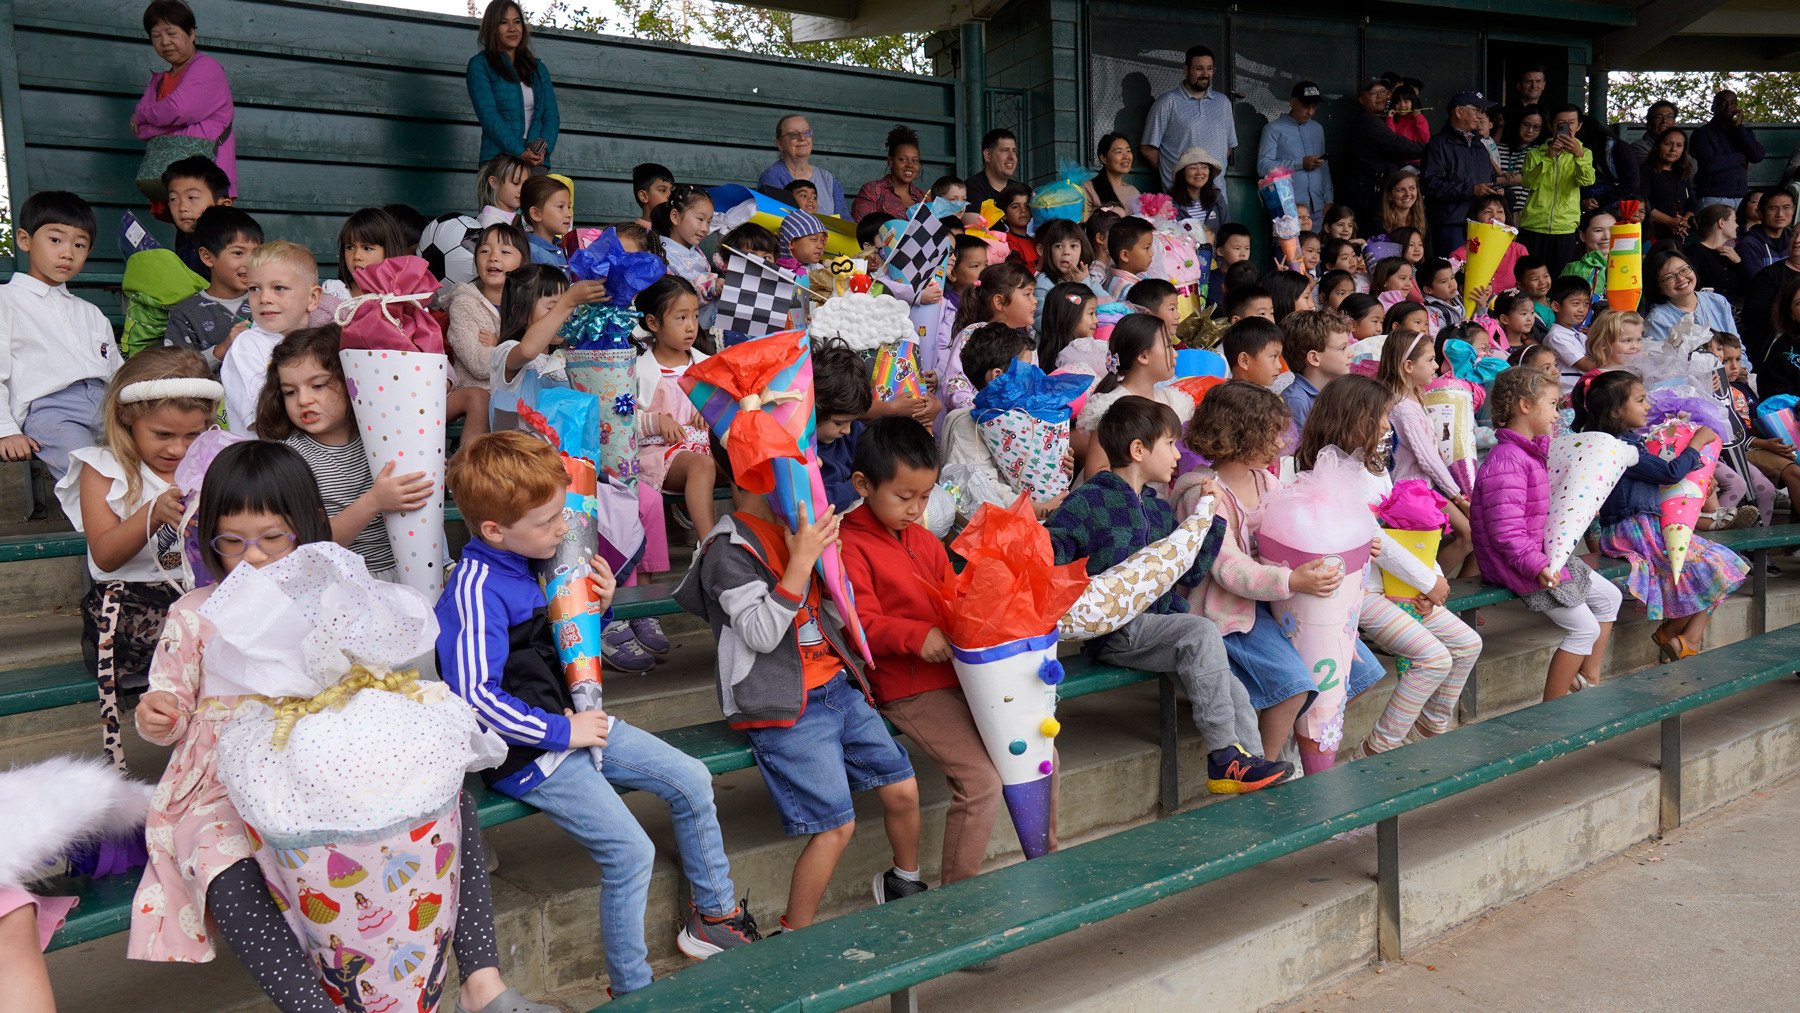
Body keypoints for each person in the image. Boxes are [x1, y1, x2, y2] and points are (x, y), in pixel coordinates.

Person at [128, 440, 556, 1013]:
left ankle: (482, 981)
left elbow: (362, 673)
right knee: (219, 859)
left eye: (272, 538)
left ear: (304, 529)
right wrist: (158, 714)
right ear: (210, 538)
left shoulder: (325, 598)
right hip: (220, 781)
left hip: (324, 758)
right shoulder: (195, 613)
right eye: (232, 542)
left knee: (448, 791)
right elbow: (171, 705)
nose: (251, 557)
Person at [440, 433, 759, 990]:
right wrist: (564, 731)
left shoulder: (531, 557)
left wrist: (599, 608)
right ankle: (632, 989)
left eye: (562, 514)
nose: (564, 529)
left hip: (576, 724)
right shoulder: (475, 588)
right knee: (631, 853)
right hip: (531, 752)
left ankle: (714, 917)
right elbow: (473, 700)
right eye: (548, 522)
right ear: (493, 530)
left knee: (692, 778)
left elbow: (557, 648)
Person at [678, 426, 926, 931]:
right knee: (836, 826)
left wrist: (830, 568)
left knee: (902, 788)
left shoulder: (797, 524)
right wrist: (802, 560)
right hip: (785, 703)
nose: (804, 475)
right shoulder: (727, 551)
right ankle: (795, 933)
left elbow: (835, 610)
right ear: (751, 473)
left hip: (836, 687)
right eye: (787, 465)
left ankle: (905, 878)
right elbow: (762, 633)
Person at [840, 415, 1061, 882]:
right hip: (908, 687)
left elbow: (954, 602)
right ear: (862, 484)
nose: (916, 509)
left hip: (965, 677)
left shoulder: (924, 538)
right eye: (904, 497)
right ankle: (957, 907)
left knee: (1042, 754)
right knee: (980, 784)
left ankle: (1049, 864)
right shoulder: (847, 545)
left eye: (925, 497)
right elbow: (860, 625)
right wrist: (917, 636)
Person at [1049, 395, 1289, 787]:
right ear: (1138, 450)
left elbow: (1190, 575)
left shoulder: (1158, 510)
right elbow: (1054, 550)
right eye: (1169, 444)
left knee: (1235, 691)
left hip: (1158, 627)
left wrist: (1210, 517)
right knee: (1198, 631)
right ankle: (1224, 756)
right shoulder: (1090, 501)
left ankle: (1251, 769)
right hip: (1115, 632)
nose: (1178, 455)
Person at [53, 348, 213, 769]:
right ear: (128, 418)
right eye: (163, 434)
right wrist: (151, 513)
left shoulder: (210, 463)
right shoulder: (103, 468)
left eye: (193, 436)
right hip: (131, 603)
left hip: (195, 594)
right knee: (195, 639)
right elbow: (105, 556)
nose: (179, 449)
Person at [1311, 373, 1480, 755]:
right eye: (1381, 417)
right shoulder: (1330, 472)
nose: (1387, 426)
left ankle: (1428, 729)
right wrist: (1427, 581)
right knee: (1433, 659)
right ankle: (1374, 752)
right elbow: (1377, 541)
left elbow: (1409, 528)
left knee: (1467, 644)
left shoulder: (1374, 468)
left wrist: (1428, 583)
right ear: (1352, 418)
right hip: (1363, 592)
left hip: (1399, 586)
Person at [1576, 369, 1747, 656]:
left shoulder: (1620, 441)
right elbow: (1669, 473)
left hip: (1640, 527)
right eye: (1641, 400)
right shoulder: (1621, 447)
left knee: (1725, 565)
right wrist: (1696, 444)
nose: (1648, 406)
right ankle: (1680, 636)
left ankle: (1682, 637)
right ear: (1617, 411)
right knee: (1722, 567)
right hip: (1634, 531)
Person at [1473, 365, 1619, 699]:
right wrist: (1538, 566)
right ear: (1525, 406)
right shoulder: (1508, 459)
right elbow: (1505, 532)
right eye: (1552, 405)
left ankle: (1587, 681)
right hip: (1518, 564)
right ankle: (1551, 710)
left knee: (1609, 597)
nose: (1557, 414)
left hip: (1538, 555)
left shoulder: (1530, 452)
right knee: (1584, 629)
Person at [256, 326, 429, 582]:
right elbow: (310, 544)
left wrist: (424, 471)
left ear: (352, 381)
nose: (304, 399)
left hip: (407, 576)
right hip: (338, 586)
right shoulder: (290, 458)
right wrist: (374, 502)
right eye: (290, 392)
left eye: (318, 385)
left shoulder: (383, 438)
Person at [1377, 328, 1476, 570]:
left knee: (1466, 535)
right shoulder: (1404, 409)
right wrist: (1458, 497)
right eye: (1430, 360)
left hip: (1425, 487)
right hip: (1412, 490)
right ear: (1409, 366)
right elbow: (1428, 459)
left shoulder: (1411, 398)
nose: (1436, 366)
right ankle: (1432, 591)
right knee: (1468, 535)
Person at [633, 276, 720, 543]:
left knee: (744, 460)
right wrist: (655, 421)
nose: (691, 326)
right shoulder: (636, 369)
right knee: (702, 465)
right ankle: (709, 545)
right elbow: (620, 421)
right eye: (680, 318)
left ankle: (750, 540)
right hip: (664, 454)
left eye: (694, 316)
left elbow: (732, 407)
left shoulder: (709, 365)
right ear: (653, 323)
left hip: (708, 447)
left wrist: (712, 411)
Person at [133, 0, 237, 198]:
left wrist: (141, 115)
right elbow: (142, 131)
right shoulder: (160, 80)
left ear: (191, 33)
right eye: (156, 36)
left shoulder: (206, 68)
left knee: (208, 227)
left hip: (207, 181)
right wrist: (156, 123)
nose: (164, 42)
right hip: (174, 181)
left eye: (171, 33)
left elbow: (178, 110)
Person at [220, 241, 321, 436]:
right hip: (265, 459)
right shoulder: (247, 345)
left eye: (279, 288)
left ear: (313, 298)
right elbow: (265, 419)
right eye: (254, 289)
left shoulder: (321, 343)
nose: (264, 298)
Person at [1076, 314, 1189, 478]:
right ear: (1143, 356)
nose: (1175, 354)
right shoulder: (1111, 407)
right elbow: (1096, 472)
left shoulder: (1172, 401)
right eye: (1168, 346)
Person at [443, 221, 528, 438]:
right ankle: (467, 469)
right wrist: (516, 351)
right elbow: (478, 363)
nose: (493, 257)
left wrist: (500, 343)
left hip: (518, 393)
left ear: (523, 263)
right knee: (485, 399)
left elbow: (540, 354)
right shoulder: (464, 304)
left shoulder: (527, 304)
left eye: (505, 251)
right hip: (478, 390)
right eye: (484, 251)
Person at [163, 206, 261, 371]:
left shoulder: (270, 301)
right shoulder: (185, 314)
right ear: (207, 257)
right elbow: (174, 372)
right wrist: (221, 349)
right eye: (238, 253)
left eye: (256, 253)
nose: (250, 262)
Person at [466, 0, 558, 169]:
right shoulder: (480, 65)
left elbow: (551, 116)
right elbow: (489, 116)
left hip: (536, 161)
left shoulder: (538, 69)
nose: (512, 28)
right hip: (498, 158)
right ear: (492, 28)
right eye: (503, 22)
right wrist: (519, 152)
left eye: (517, 22)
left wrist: (543, 149)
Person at [937, 261, 1036, 417]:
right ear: (999, 302)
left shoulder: (1026, 345)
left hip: (1011, 430)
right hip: (972, 425)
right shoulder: (972, 334)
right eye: (1027, 294)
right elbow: (955, 384)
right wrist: (983, 412)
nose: (1035, 300)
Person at [1141, 45, 1236, 207]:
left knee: (1217, 233)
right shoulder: (1167, 102)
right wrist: (1174, 174)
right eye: (1199, 68)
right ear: (1186, 70)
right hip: (1180, 195)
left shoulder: (1223, 103)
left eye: (1209, 69)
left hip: (1217, 193)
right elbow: (1148, 148)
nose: (1205, 74)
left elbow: (1228, 148)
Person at [1422, 90, 1501, 257]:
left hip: (1481, 224)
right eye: (1477, 110)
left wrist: (1496, 190)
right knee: (1453, 275)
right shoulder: (1439, 144)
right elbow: (1431, 185)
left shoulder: (1480, 145)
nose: (1480, 116)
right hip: (1452, 224)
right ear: (1459, 112)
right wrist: (1471, 190)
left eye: (1482, 111)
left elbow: (1490, 178)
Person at [1517, 104, 1594, 274]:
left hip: (1565, 228)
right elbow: (1528, 182)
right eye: (1561, 124)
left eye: (1571, 123)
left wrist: (1578, 156)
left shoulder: (1585, 153)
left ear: (1579, 126)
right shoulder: (1535, 153)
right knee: (1531, 279)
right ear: (1551, 126)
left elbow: (1587, 180)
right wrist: (1549, 156)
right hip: (1533, 226)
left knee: (1562, 281)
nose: (1566, 128)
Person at [1348, 79, 1424, 231]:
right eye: (1374, 93)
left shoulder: (1385, 119)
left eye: (1384, 92)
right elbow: (1396, 143)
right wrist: (1427, 149)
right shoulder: (1368, 120)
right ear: (1362, 99)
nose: (1381, 96)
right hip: (1370, 194)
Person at [814, 341, 875, 513]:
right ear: (813, 411)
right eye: (838, 423)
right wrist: (856, 487)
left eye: (852, 420)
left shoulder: (855, 432)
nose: (847, 430)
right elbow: (817, 503)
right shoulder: (802, 450)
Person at [1257, 81, 1332, 218]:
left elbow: (1324, 168)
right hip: (1288, 207)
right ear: (1292, 102)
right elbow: (1262, 167)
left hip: (1317, 207)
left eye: (1314, 107)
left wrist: (1329, 199)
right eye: (1305, 106)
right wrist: (1299, 163)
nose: (1310, 112)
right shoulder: (1273, 129)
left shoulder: (1317, 129)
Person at [651, 185, 722, 329]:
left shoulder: (695, 251)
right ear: (675, 216)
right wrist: (711, 286)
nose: (705, 229)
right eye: (700, 219)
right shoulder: (661, 255)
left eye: (709, 222)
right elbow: (672, 299)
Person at [1279, 307, 1353, 430]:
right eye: (1342, 348)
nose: (1351, 353)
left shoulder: (1337, 390)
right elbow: (1298, 447)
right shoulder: (1296, 401)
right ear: (1314, 358)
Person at [1643, 248, 1737, 344]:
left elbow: (1737, 348)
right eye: (1669, 277)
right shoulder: (1657, 321)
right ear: (1659, 288)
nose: (1681, 278)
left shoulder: (1718, 301)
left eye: (1684, 270)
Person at [758, 114, 847, 217]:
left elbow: (845, 221)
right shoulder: (771, 177)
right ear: (780, 144)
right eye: (793, 134)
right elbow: (773, 220)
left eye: (807, 132)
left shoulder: (828, 179)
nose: (802, 138)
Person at [1689, 90, 1764, 210]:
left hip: (1741, 198)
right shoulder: (1702, 133)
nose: (1728, 106)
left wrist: (1739, 127)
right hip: (1713, 197)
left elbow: (1758, 156)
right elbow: (1709, 164)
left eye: (1733, 103)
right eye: (1723, 103)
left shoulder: (1742, 132)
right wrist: (1739, 158)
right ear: (1713, 107)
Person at [1742, 228, 1800, 367]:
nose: (1797, 240)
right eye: (1794, 235)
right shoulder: (1770, 275)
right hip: (1777, 349)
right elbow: (1752, 316)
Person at [852, 125, 926, 221]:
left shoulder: (924, 198)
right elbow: (863, 230)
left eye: (915, 161)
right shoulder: (872, 191)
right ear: (890, 161)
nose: (910, 165)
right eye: (903, 160)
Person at [1687, 203, 1749, 306]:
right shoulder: (1695, 252)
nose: (1737, 225)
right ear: (1721, 223)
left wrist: (1739, 263)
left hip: (1726, 315)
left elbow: (1744, 289)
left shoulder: (1730, 254)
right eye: (1734, 220)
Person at [1542, 274, 1595, 392]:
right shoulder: (1556, 337)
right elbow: (1588, 365)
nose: (1582, 309)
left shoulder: (1579, 334)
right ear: (1556, 306)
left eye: (1586, 303)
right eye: (1576, 303)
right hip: (1567, 396)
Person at [1643, 127, 1696, 244]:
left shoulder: (1682, 172)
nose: (1673, 149)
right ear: (1658, 145)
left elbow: (1691, 202)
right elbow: (1643, 205)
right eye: (1668, 144)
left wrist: (1686, 220)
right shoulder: (1646, 171)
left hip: (1680, 231)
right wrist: (1670, 221)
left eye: (1679, 145)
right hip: (1652, 233)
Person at [1497, 104, 1544, 220]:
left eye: (1536, 127)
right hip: (1497, 210)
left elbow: (1526, 178)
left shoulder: (1540, 152)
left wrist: (1494, 181)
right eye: (1526, 125)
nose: (1530, 130)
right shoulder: (1498, 147)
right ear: (1518, 123)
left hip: (1523, 213)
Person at [1630, 100, 1698, 179]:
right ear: (1648, 123)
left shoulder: (1679, 143)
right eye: (1659, 117)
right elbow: (1653, 171)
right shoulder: (1639, 147)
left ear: (1674, 123)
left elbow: (1692, 168)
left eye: (1669, 117)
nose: (1664, 121)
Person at [1736, 186, 1795, 276]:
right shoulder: (1749, 244)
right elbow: (1759, 283)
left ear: (1793, 209)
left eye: (1786, 207)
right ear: (1760, 212)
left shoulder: (1795, 240)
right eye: (1773, 208)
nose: (1780, 214)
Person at [1167, 147, 1227, 235]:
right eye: (1193, 168)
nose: (1199, 172)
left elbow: (1227, 231)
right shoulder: (1170, 203)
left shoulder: (1217, 197)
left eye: (1204, 167)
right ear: (1182, 173)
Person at [519, 174, 573, 270]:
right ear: (536, 214)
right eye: (560, 206)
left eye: (568, 207)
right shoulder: (531, 253)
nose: (569, 214)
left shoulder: (561, 247)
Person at [962, 128, 1020, 213]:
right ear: (988, 155)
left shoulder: (1021, 190)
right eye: (1005, 150)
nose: (1011, 157)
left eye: (1014, 151)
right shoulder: (971, 189)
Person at [1083, 132, 1142, 214]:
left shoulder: (1133, 192)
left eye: (1128, 150)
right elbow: (1082, 225)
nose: (1126, 156)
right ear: (1104, 158)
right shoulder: (1089, 188)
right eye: (1119, 152)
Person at [1378, 169, 1429, 239]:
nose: (1408, 194)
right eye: (1401, 190)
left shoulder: (1424, 221)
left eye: (1412, 188)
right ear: (1389, 195)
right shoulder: (1379, 223)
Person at [632, 162, 675, 230]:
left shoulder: (674, 231)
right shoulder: (631, 235)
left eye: (672, 191)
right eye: (663, 190)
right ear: (643, 196)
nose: (670, 196)